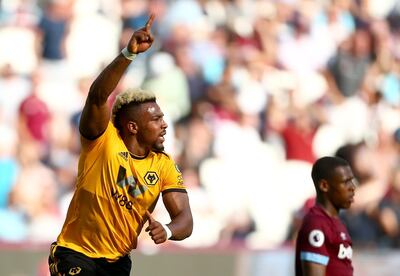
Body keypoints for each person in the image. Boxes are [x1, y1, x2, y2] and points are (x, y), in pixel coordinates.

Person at [48, 14, 193, 276]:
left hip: (117, 263)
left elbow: (186, 220)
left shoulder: (163, 166)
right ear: (132, 127)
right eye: (156, 119)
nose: (164, 124)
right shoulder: (102, 141)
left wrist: (169, 229)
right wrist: (128, 53)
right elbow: (97, 95)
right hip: (75, 254)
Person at [295, 156, 357, 276]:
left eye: (352, 181)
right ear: (324, 185)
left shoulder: (337, 223)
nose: (353, 187)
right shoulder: (316, 225)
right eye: (345, 182)